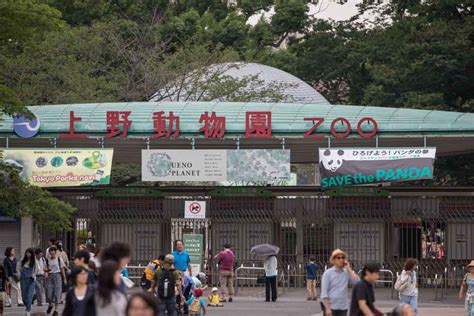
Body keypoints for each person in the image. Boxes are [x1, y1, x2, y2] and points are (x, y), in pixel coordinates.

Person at [321, 249, 359, 316]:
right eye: (338, 258)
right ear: (334, 260)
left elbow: (358, 283)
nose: (341, 260)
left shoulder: (346, 272)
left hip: (343, 307)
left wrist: (349, 269)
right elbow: (324, 293)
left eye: (343, 258)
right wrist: (327, 308)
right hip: (331, 306)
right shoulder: (328, 273)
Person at [45, 246, 67, 316]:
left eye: (53, 251)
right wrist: (46, 272)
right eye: (50, 251)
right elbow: (45, 269)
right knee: (49, 293)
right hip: (50, 277)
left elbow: (62, 269)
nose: (51, 253)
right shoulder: (47, 260)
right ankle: (50, 305)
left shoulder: (59, 259)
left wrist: (64, 278)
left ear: (55, 252)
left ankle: (56, 310)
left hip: (57, 276)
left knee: (57, 293)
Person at [20, 248, 39, 315]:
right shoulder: (22, 260)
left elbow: (37, 270)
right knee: (24, 297)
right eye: (27, 252)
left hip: (31, 280)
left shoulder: (35, 261)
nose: (28, 254)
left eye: (29, 253)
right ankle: (31, 300)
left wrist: (33, 275)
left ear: (32, 254)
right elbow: (19, 268)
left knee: (28, 296)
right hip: (23, 280)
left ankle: (28, 311)